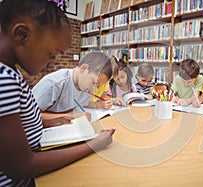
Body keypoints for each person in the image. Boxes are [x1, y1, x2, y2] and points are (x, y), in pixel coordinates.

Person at [0, 1, 114, 186]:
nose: (52, 64)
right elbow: (21, 167)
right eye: (51, 55)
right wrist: (93, 145)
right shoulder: (4, 80)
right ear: (21, 35)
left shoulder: (11, 74)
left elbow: (19, 120)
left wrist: (56, 120)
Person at [32, 52, 117, 122]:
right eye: (94, 82)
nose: (94, 88)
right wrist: (72, 116)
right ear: (83, 68)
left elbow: (85, 103)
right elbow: (31, 116)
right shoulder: (55, 83)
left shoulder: (84, 85)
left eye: (98, 85)